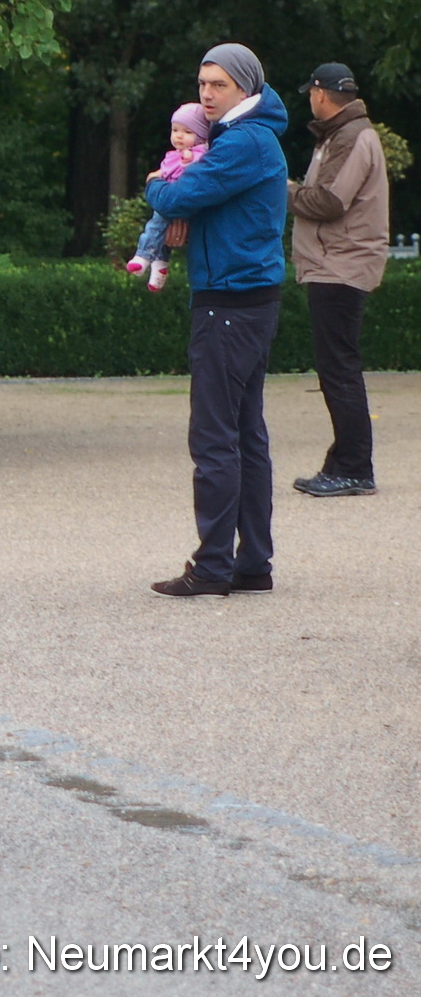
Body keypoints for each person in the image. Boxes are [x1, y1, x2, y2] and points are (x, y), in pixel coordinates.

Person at [144, 44, 288, 597]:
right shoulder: (242, 140)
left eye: (218, 85)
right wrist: (185, 209)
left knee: (215, 438)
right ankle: (252, 563)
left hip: (228, 304)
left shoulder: (244, 141)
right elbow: (198, 201)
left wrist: (160, 187)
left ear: (245, 88)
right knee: (245, 435)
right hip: (246, 300)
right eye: (202, 84)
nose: (206, 94)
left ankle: (213, 568)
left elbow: (184, 191)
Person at [289, 62, 389, 498]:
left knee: (339, 368)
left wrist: (279, 187)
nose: (310, 99)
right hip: (340, 264)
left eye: (310, 93)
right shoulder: (345, 133)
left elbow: (328, 202)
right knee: (337, 367)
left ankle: (354, 467)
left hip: (340, 265)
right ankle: (344, 460)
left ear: (321, 93)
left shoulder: (349, 136)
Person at [126, 103, 212, 292]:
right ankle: (159, 266)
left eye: (188, 132)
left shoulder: (199, 155)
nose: (179, 136)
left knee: (156, 223)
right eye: (175, 130)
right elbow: (163, 173)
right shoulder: (174, 155)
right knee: (161, 231)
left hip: (183, 204)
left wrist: (186, 164)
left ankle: (143, 255)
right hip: (173, 200)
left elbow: (193, 179)